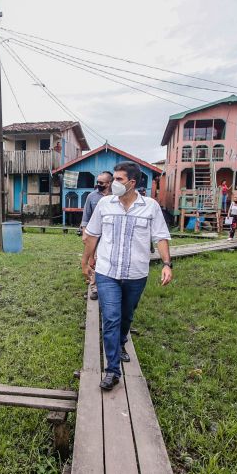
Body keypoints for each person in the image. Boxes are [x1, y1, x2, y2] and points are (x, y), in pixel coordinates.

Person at [81, 162, 172, 391]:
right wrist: (85, 261)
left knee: (126, 316)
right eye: (113, 180)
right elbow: (92, 235)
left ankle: (121, 342)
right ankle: (112, 370)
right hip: (107, 272)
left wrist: (167, 264)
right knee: (110, 317)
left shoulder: (150, 207)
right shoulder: (104, 204)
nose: (113, 184)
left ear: (132, 183)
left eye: (119, 180)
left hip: (136, 273)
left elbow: (160, 237)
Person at [80, 171, 114, 301]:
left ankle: (107, 286)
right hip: (94, 235)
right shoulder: (92, 196)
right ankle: (94, 287)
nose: (98, 184)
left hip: (109, 235)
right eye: (97, 182)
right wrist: (84, 233)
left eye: (101, 183)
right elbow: (86, 217)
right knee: (93, 260)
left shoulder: (116, 196)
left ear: (109, 183)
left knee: (105, 260)